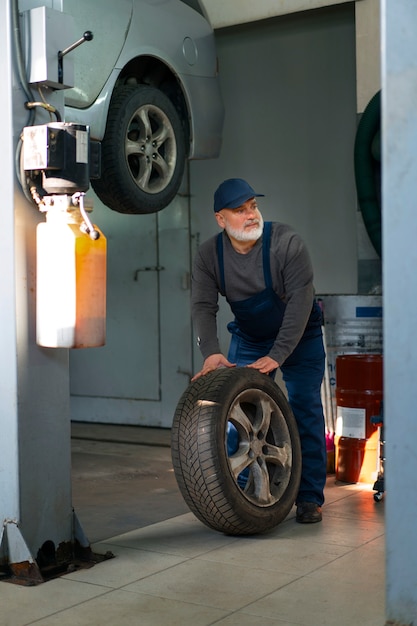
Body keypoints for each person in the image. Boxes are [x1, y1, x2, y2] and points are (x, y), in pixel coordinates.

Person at [191, 178, 327, 524]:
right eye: (240, 210)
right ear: (221, 219)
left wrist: (279, 354)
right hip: (251, 336)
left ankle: (309, 497)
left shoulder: (286, 243)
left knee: (304, 409)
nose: (251, 215)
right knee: (236, 408)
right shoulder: (209, 255)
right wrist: (211, 352)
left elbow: (300, 301)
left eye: (253, 205)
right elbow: (203, 306)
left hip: (300, 336)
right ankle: (237, 493)